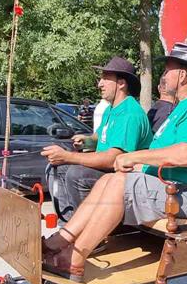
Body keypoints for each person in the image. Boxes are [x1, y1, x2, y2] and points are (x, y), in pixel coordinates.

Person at [41, 43, 187, 281]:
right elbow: (163, 153)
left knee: (118, 184)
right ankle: (59, 242)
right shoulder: (181, 107)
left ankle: (73, 259)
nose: (163, 76)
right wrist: (134, 163)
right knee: (110, 179)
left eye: (167, 70)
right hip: (171, 188)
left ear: (182, 74)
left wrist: (133, 156)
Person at [42, 57, 152, 221]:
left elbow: (112, 158)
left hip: (126, 176)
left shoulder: (130, 114)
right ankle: (68, 224)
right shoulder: (111, 109)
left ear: (121, 83)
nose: (99, 84)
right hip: (110, 169)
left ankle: (91, 234)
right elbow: (101, 136)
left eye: (105, 78)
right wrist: (86, 140)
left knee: (76, 174)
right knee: (56, 168)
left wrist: (68, 156)